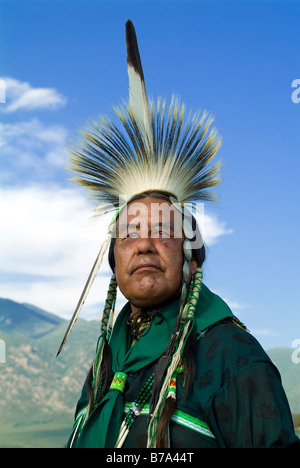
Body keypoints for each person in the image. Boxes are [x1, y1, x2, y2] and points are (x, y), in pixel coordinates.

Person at [58, 21, 300, 448]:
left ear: (190, 254)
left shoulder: (231, 357)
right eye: (130, 232)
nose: (145, 243)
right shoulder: (107, 365)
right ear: (114, 260)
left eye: (163, 229)